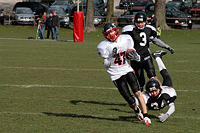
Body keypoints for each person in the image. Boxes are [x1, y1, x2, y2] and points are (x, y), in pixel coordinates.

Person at [97, 22, 151, 125]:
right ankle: (136, 110)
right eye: (109, 33)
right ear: (105, 35)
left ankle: (146, 117)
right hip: (115, 75)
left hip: (127, 69)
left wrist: (135, 56)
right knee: (130, 101)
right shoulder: (103, 46)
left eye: (112, 32)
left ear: (116, 31)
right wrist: (112, 57)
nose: (112, 35)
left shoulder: (126, 38)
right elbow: (107, 65)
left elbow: (131, 50)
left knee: (138, 93)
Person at [121, 12, 175, 92]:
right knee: (139, 82)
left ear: (145, 22)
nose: (140, 24)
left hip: (146, 56)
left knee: (153, 77)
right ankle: (142, 101)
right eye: (138, 22)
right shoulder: (129, 30)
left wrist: (167, 47)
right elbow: (122, 43)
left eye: (142, 22)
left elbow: (155, 40)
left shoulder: (149, 29)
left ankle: (160, 95)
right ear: (135, 22)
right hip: (135, 59)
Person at [135, 50, 177, 123]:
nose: (154, 93)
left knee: (167, 77)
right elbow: (134, 104)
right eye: (151, 91)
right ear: (147, 92)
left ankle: (157, 57)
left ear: (159, 89)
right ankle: (157, 57)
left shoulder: (166, 93)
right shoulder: (144, 96)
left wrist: (166, 115)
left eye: (155, 90)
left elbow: (172, 107)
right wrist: (139, 113)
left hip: (163, 89)